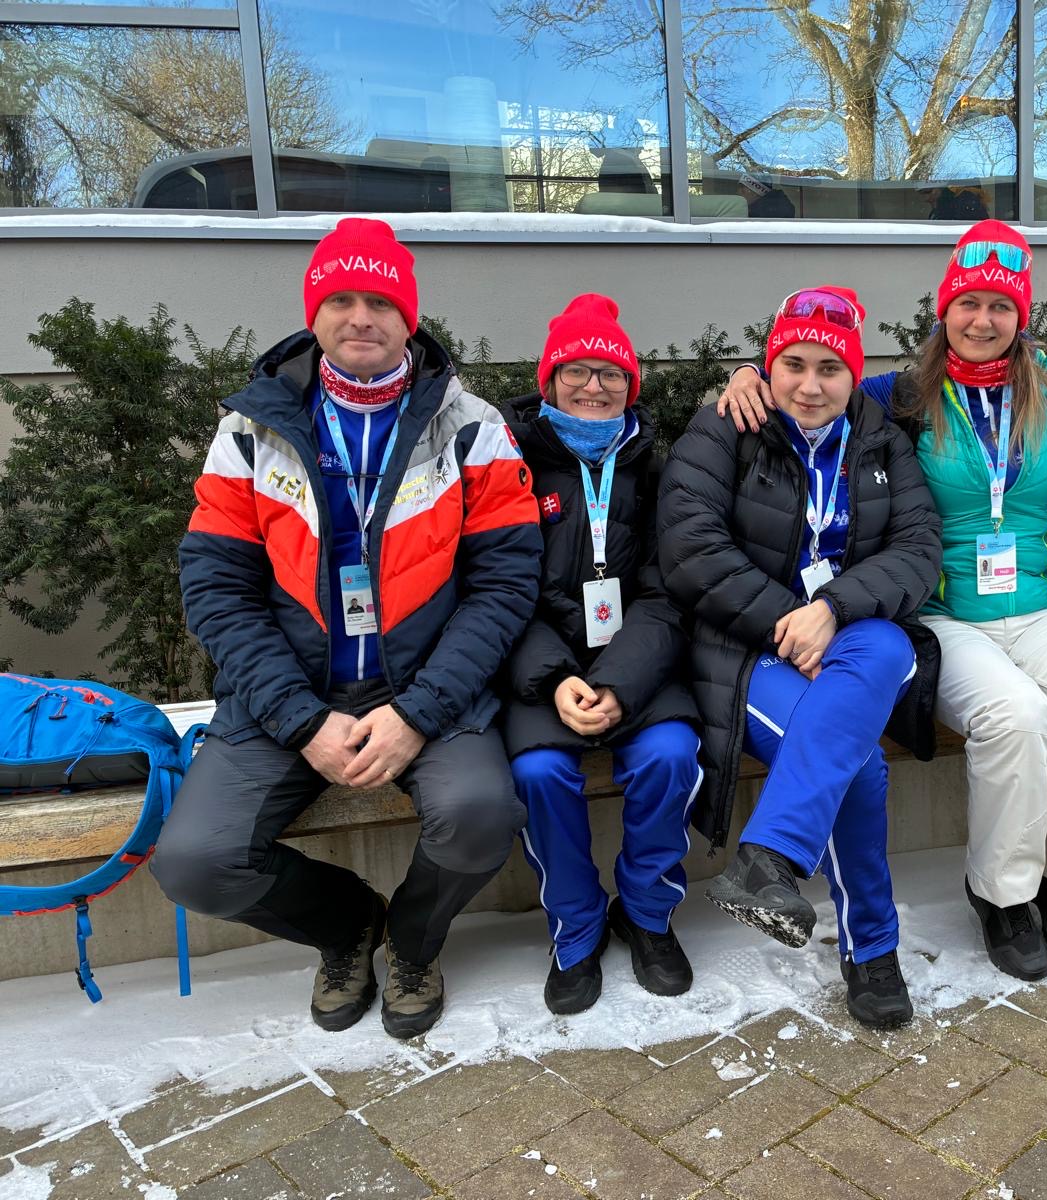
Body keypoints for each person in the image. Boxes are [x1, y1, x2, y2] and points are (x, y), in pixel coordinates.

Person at [718, 221, 1047, 982]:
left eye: (1001, 306)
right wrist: (750, 374)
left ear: (1021, 317)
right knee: (1017, 717)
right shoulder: (903, 396)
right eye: (968, 303)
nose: (983, 320)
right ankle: (1004, 897)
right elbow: (816, 391)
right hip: (946, 613)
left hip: (1039, 603)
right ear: (944, 309)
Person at [152, 218, 541, 1038]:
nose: (361, 317)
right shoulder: (250, 429)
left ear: (409, 318)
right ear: (314, 312)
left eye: (381, 302)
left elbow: (504, 587)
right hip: (288, 694)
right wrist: (301, 719)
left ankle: (413, 939)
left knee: (480, 816)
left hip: (428, 688)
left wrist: (420, 712)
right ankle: (350, 924)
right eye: (341, 300)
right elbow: (216, 590)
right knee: (196, 863)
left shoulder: (472, 426)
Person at [658, 286, 943, 1028]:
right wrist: (793, 626)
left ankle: (769, 860)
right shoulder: (725, 428)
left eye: (830, 368)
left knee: (887, 642)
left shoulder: (882, 441)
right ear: (768, 365)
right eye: (793, 365)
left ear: (855, 376)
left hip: (849, 636)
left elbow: (919, 551)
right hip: (743, 649)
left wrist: (833, 611)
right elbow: (691, 553)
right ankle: (871, 947)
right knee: (859, 763)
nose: (810, 386)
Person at [501, 295, 702, 1016]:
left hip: (637, 664)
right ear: (549, 381)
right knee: (538, 772)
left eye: (611, 373)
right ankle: (577, 925)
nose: (595, 386)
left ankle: (646, 914)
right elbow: (499, 591)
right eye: (577, 372)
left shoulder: (656, 468)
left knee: (672, 755)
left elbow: (668, 592)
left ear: (631, 385)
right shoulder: (509, 462)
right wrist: (558, 679)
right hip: (541, 672)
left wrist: (617, 681)